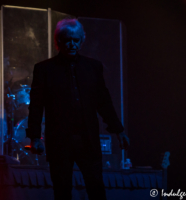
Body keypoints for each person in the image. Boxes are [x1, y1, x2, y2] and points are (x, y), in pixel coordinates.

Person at [26, 19, 129, 200]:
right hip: (60, 140)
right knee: (62, 191)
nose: (72, 44)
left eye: (76, 40)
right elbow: (36, 105)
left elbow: (104, 102)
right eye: (67, 40)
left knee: (96, 189)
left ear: (82, 41)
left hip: (87, 139)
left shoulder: (93, 67)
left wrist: (119, 131)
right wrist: (34, 137)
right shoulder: (44, 69)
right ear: (59, 42)